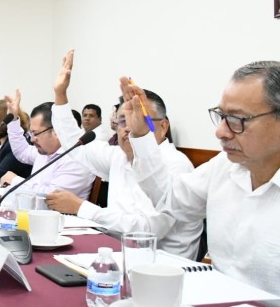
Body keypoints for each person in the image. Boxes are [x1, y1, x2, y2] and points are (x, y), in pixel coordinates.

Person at [125, 60, 280, 307]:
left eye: (237, 119)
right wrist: (141, 135)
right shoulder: (225, 166)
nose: (221, 132)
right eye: (221, 116)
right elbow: (170, 200)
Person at [44, 50, 202, 259]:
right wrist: (60, 95)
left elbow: (148, 230)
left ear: (163, 126)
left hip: (161, 264)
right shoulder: (118, 155)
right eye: (121, 121)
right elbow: (75, 144)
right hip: (115, 254)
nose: (127, 128)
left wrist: (82, 208)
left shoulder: (176, 165)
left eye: (138, 120)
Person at [1, 90, 95, 199]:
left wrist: (15, 181)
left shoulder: (76, 158)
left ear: (57, 131)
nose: (32, 139)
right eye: (31, 133)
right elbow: (22, 151)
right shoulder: (46, 150)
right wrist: (13, 120)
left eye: (36, 133)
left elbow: (52, 197)